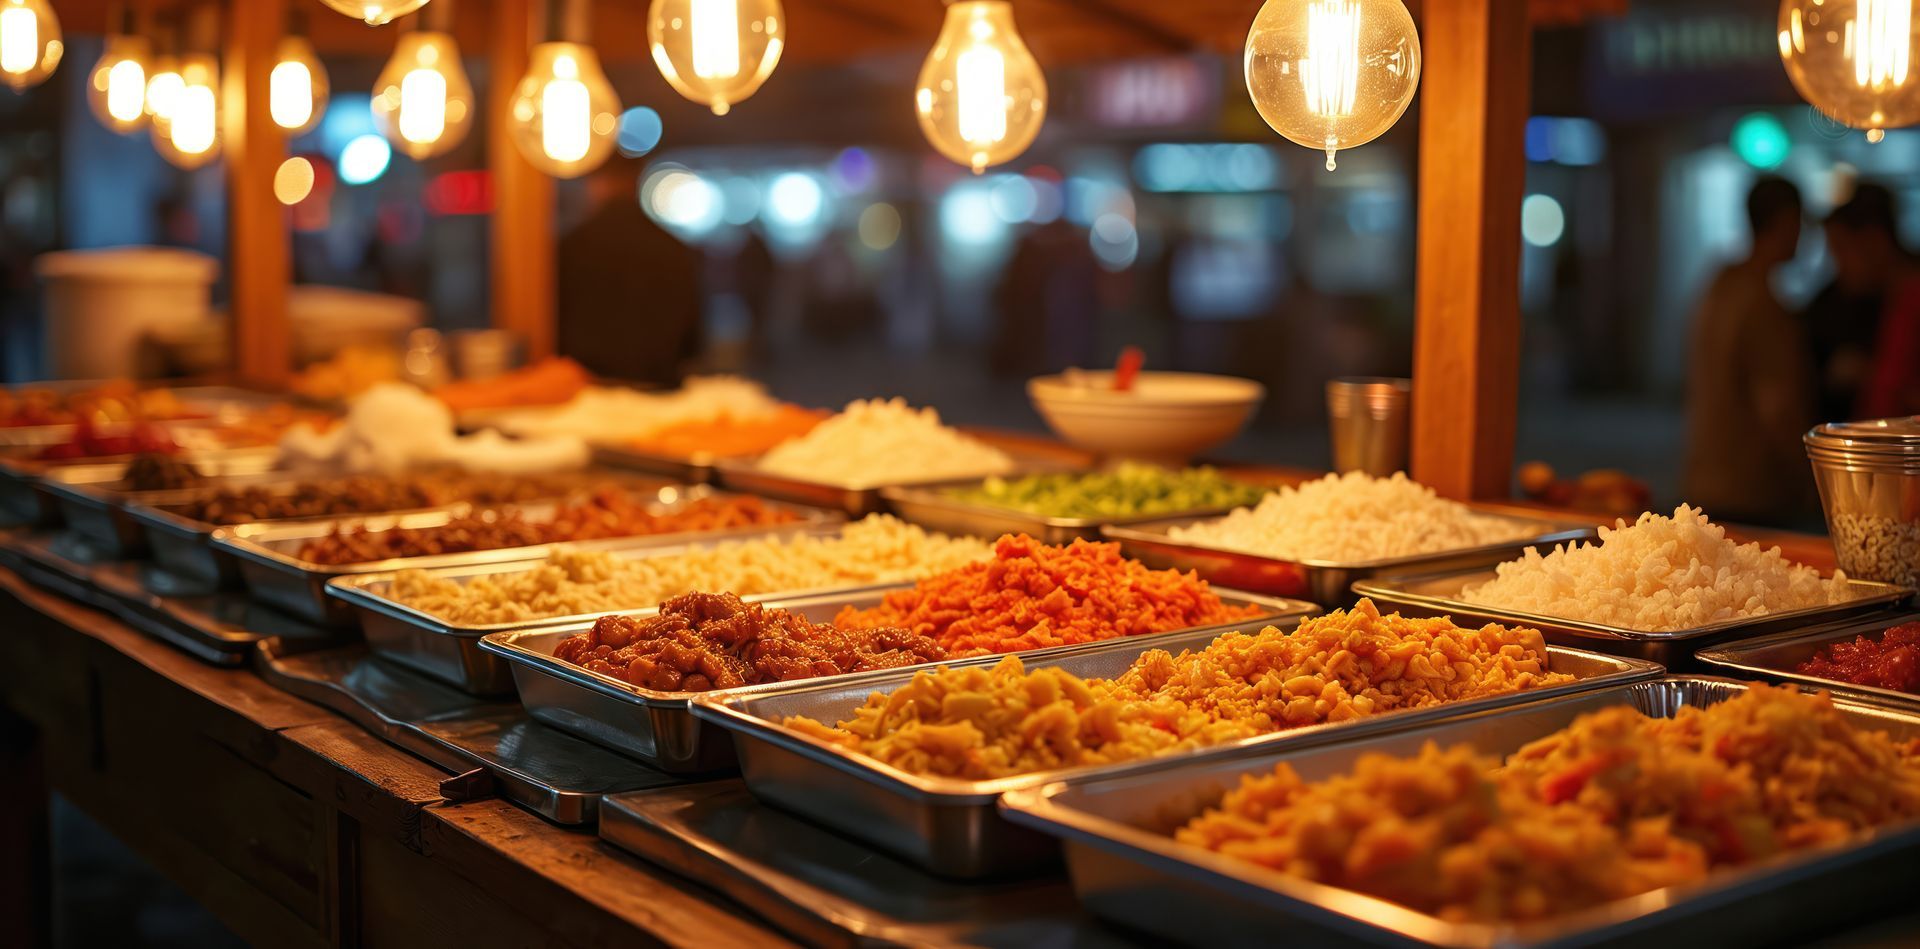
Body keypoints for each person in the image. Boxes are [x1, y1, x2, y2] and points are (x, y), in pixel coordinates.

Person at [1681, 176, 1816, 527]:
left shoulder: (1719, 283)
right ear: (1787, 221)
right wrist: (1808, 477)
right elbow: (1777, 407)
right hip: (1752, 488)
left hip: (1705, 476)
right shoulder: (1763, 304)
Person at [556, 159, 704, 386]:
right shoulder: (673, 247)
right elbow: (693, 336)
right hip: (658, 386)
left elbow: (555, 317)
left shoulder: (570, 246)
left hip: (587, 389)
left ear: (598, 184)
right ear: (635, 183)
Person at [1804, 184, 1903, 420]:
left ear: (1876, 242)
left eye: (1842, 249)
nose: (1838, 263)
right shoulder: (1829, 304)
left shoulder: (1908, 298)